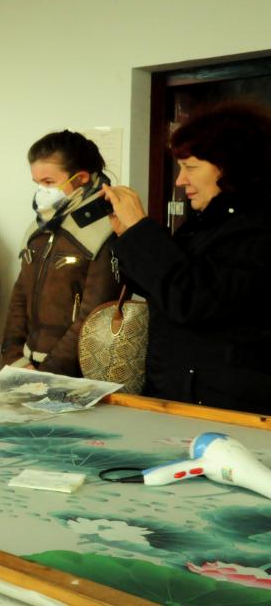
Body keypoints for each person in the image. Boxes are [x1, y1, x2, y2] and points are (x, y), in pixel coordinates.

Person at [102, 101, 271, 412]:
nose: (180, 181)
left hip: (226, 407)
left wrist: (141, 230)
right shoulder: (205, 222)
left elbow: (192, 300)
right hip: (176, 392)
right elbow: (160, 287)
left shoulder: (257, 230)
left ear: (231, 166)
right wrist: (128, 236)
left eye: (191, 167)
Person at [1, 130, 121, 375]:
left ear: (81, 178)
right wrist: (14, 357)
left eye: (49, 182)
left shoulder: (107, 230)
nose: (41, 191)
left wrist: (51, 370)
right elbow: (19, 298)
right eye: (37, 183)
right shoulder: (39, 227)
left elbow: (93, 316)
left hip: (75, 374)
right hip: (26, 366)